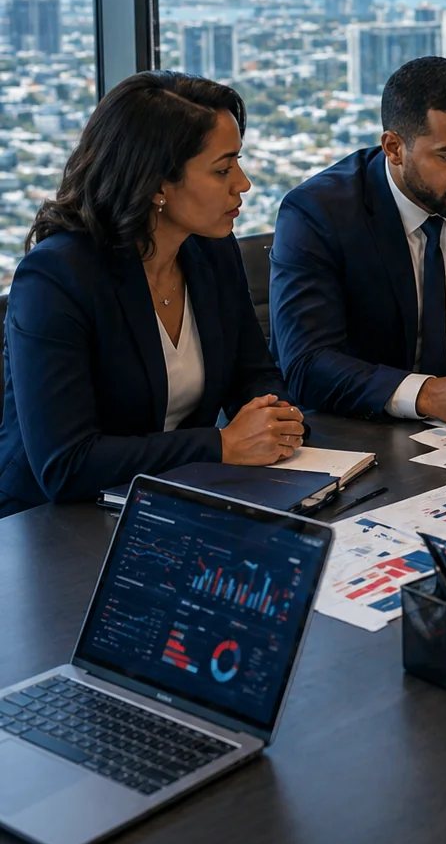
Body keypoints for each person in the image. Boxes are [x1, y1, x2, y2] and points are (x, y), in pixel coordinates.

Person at [0, 72, 303, 516]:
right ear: (157, 184)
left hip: (171, 499)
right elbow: (66, 464)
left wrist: (273, 418)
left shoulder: (211, 250)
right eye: (222, 169)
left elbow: (252, 374)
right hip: (47, 526)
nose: (243, 183)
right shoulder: (56, 278)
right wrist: (220, 444)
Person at [270, 56, 446, 425]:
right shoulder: (318, 213)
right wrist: (430, 395)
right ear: (394, 148)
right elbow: (307, 364)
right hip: (353, 431)